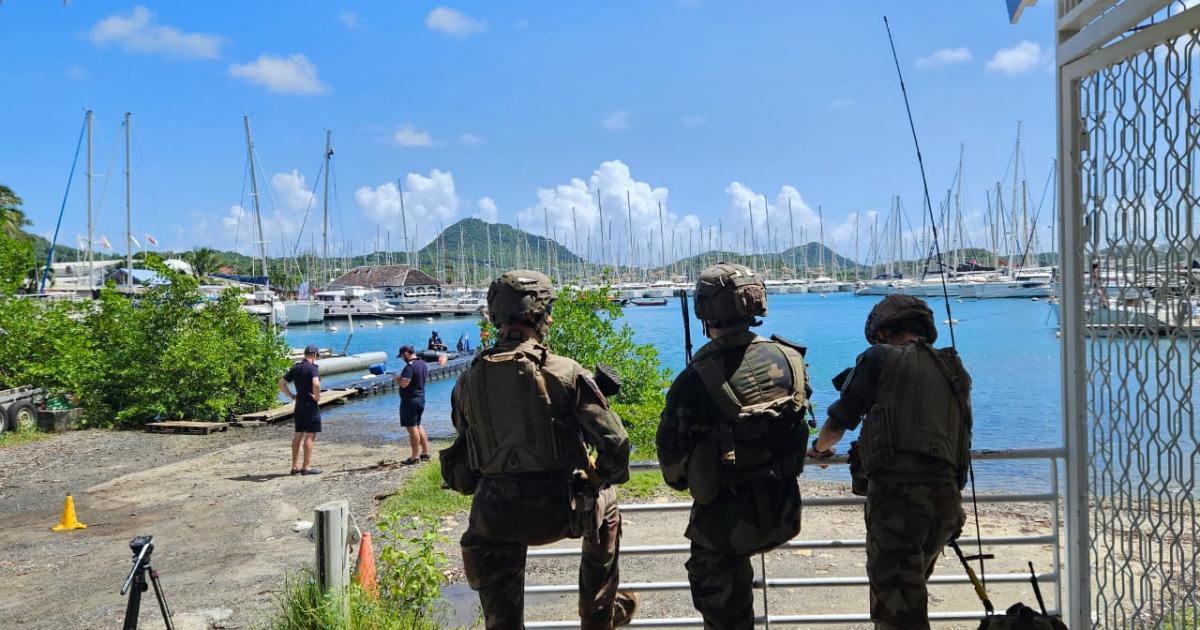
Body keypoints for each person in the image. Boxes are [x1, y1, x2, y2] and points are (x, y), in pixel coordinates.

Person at [448, 269, 639, 629]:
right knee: (608, 506)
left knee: (501, 622)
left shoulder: (468, 378)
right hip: (563, 511)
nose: (550, 317)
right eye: (548, 310)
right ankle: (598, 612)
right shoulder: (564, 371)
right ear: (540, 315)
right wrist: (604, 476)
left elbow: (464, 433)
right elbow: (616, 442)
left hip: (495, 515)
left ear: (496, 315)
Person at [655, 262, 812, 630]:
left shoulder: (695, 378)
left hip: (723, 526)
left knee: (725, 614)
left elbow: (672, 469)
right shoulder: (791, 358)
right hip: (782, 509)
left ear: (704, 310)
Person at [808, 294, 973, 630]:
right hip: (946, 506)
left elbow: (840, 422)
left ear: (882, 332)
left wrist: (818, 450)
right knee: (911, 603)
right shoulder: (952, 367)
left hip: (900, 507)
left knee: (896, 616)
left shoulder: (879, 358)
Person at [278, 344, 323, 475]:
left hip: (299, 405)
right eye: (317, 356)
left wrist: (291, 396)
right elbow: (316, 383)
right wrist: (317, 397)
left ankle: (295, 466)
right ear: (314, 355)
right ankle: (306, 467)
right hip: (310, 405)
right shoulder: (313, 368)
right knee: (310, 435)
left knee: (298, 434)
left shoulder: (296, 367)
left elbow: (281, 383)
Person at [395, 344, 430, 465]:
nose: (402, 359)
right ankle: (425, 453)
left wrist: (397, 379)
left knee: (412, 428)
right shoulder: (423, 364)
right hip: (421, 398)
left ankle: (415, 457)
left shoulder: (409, 367)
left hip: (410, 400)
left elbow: (404, 384)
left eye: (401, 356)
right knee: (418, 425)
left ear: (406, 353)